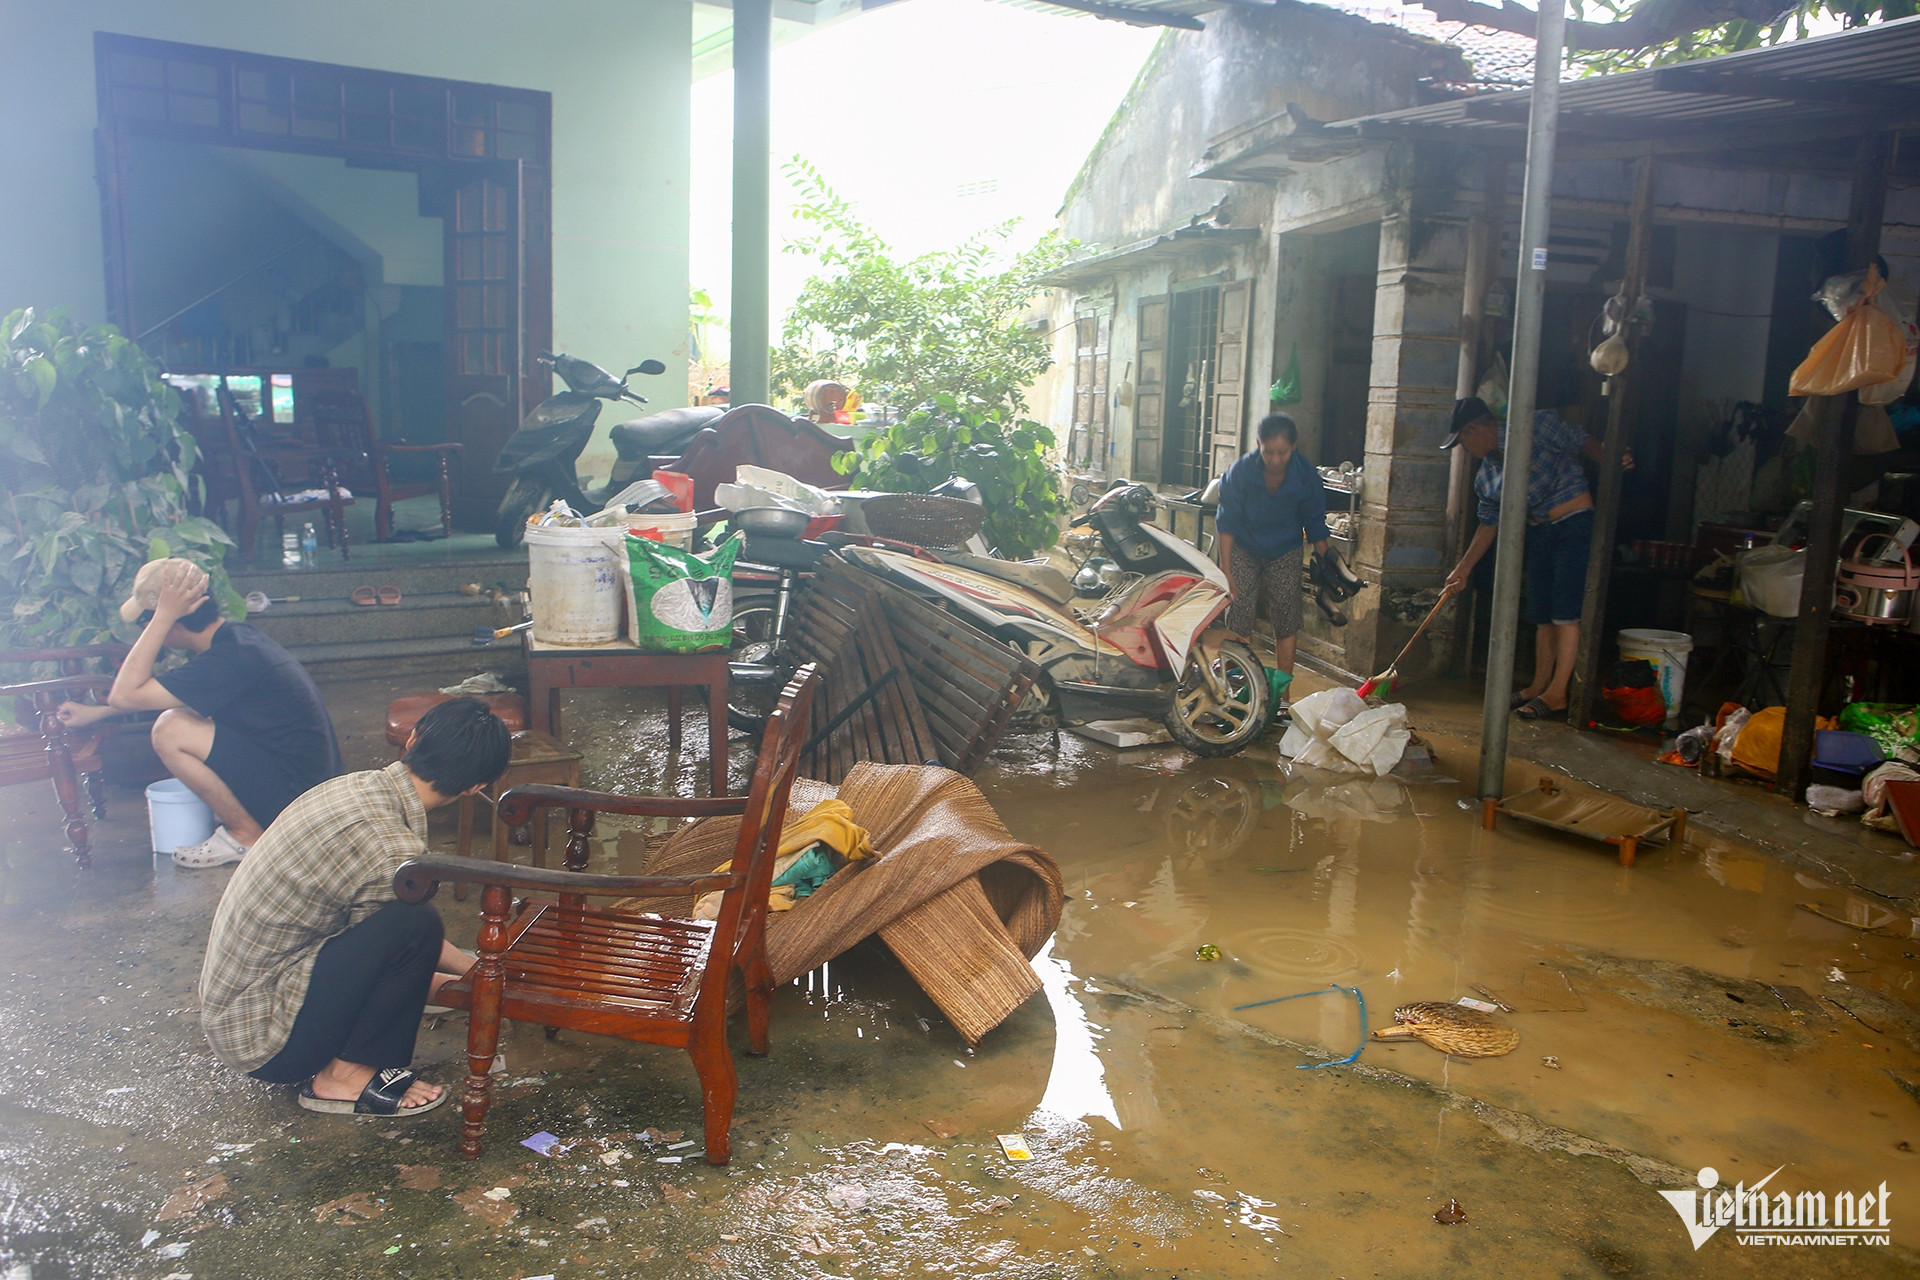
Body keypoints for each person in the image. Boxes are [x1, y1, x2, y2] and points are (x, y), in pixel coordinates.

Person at [198, 697, 512, 1117]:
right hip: (263, 1038)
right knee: (415, 924)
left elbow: (374, 951)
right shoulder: (392, 850)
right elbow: (395, 952)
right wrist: (483, 979)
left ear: (413, 738)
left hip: (236, 1006)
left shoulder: (353, 786)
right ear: (476, 786)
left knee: (412, 927)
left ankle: (351, 1062)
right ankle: (342, 1077)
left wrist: (468, 978)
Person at [57, 558, 343, 868]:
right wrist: (94, 714)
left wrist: (163, 617)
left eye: (147, 623)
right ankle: (248, 827)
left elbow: (125, 695)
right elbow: (158, 695)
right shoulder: (235, 640)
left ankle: (246, 836)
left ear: (172, 622)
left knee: (170, 729)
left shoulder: (229, 659)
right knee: (183, 719)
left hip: (298, 806)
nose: (148, 630)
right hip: (307, 791)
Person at [1440, 396, 1628, 720]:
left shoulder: (1536, 426)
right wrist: (1463, 568)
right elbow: (1489, 522)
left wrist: (1613, 459)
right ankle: (1539, 685)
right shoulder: (1487, 476)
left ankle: (1558, 693)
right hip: (1539, 531)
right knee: (1541, 615)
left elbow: (1582, 442)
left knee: (1565, 613)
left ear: (1475, 428)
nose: (1464, 449)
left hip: (1574, 524)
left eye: (1463, 441)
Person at [1213, 413, 1330, 719]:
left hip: (1285, 549)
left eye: (1283, 452)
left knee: (1286, 616)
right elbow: (1227, 523)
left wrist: (1328, 562)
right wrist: (1226, 570)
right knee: (1238, 615)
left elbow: (1315, 523)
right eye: (1269, 452)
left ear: (1294, 447)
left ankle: (1283, 696)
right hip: (1243, 547)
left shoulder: (1305, 475)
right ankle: (1235, 691)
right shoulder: (1239, 472)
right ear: (1258, 445)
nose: (1276, 460)